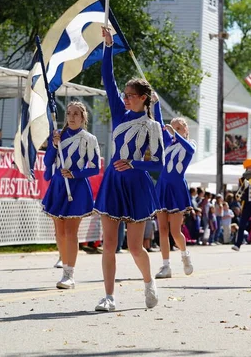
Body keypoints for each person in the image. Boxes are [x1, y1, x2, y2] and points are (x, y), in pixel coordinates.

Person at [93, 27, 163, 312]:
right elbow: (107, 79)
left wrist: (135, 163)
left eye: (132, 95)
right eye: (125, 94)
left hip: (136, 184)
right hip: (113, 181)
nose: (126, 98)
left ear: (144, 98)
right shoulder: (119, 112)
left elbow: (158, 164)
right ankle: (109, 296)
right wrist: (108, 46)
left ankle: (149, 282)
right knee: (109, 244)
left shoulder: (152, 125)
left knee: (135, 247)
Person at [41, 101, 100, 289]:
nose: (72, 117)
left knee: (70, 232)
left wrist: (75, 173)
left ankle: (69, 274)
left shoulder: (89, 139)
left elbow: (95, 167)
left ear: (83, 118)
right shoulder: (59, 136)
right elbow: (48, 160)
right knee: (59, 232)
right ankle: (64, 264)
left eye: (76, 114)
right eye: (69, 113)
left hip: (76, 187)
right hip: (58, 186)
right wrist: (53, 144)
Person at [153, 106, 195, 279]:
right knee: (162, 229)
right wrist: (155, 103)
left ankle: (185, 255)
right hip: (162, 186)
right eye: (173, 128)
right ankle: (165, 266)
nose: (174, 131)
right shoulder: (168, 143)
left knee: (175, 231)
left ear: (185, 130)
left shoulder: (189, 145)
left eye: (178, 128)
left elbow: (189, 150)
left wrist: (174, 133)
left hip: (176, 188)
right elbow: (159, 121)